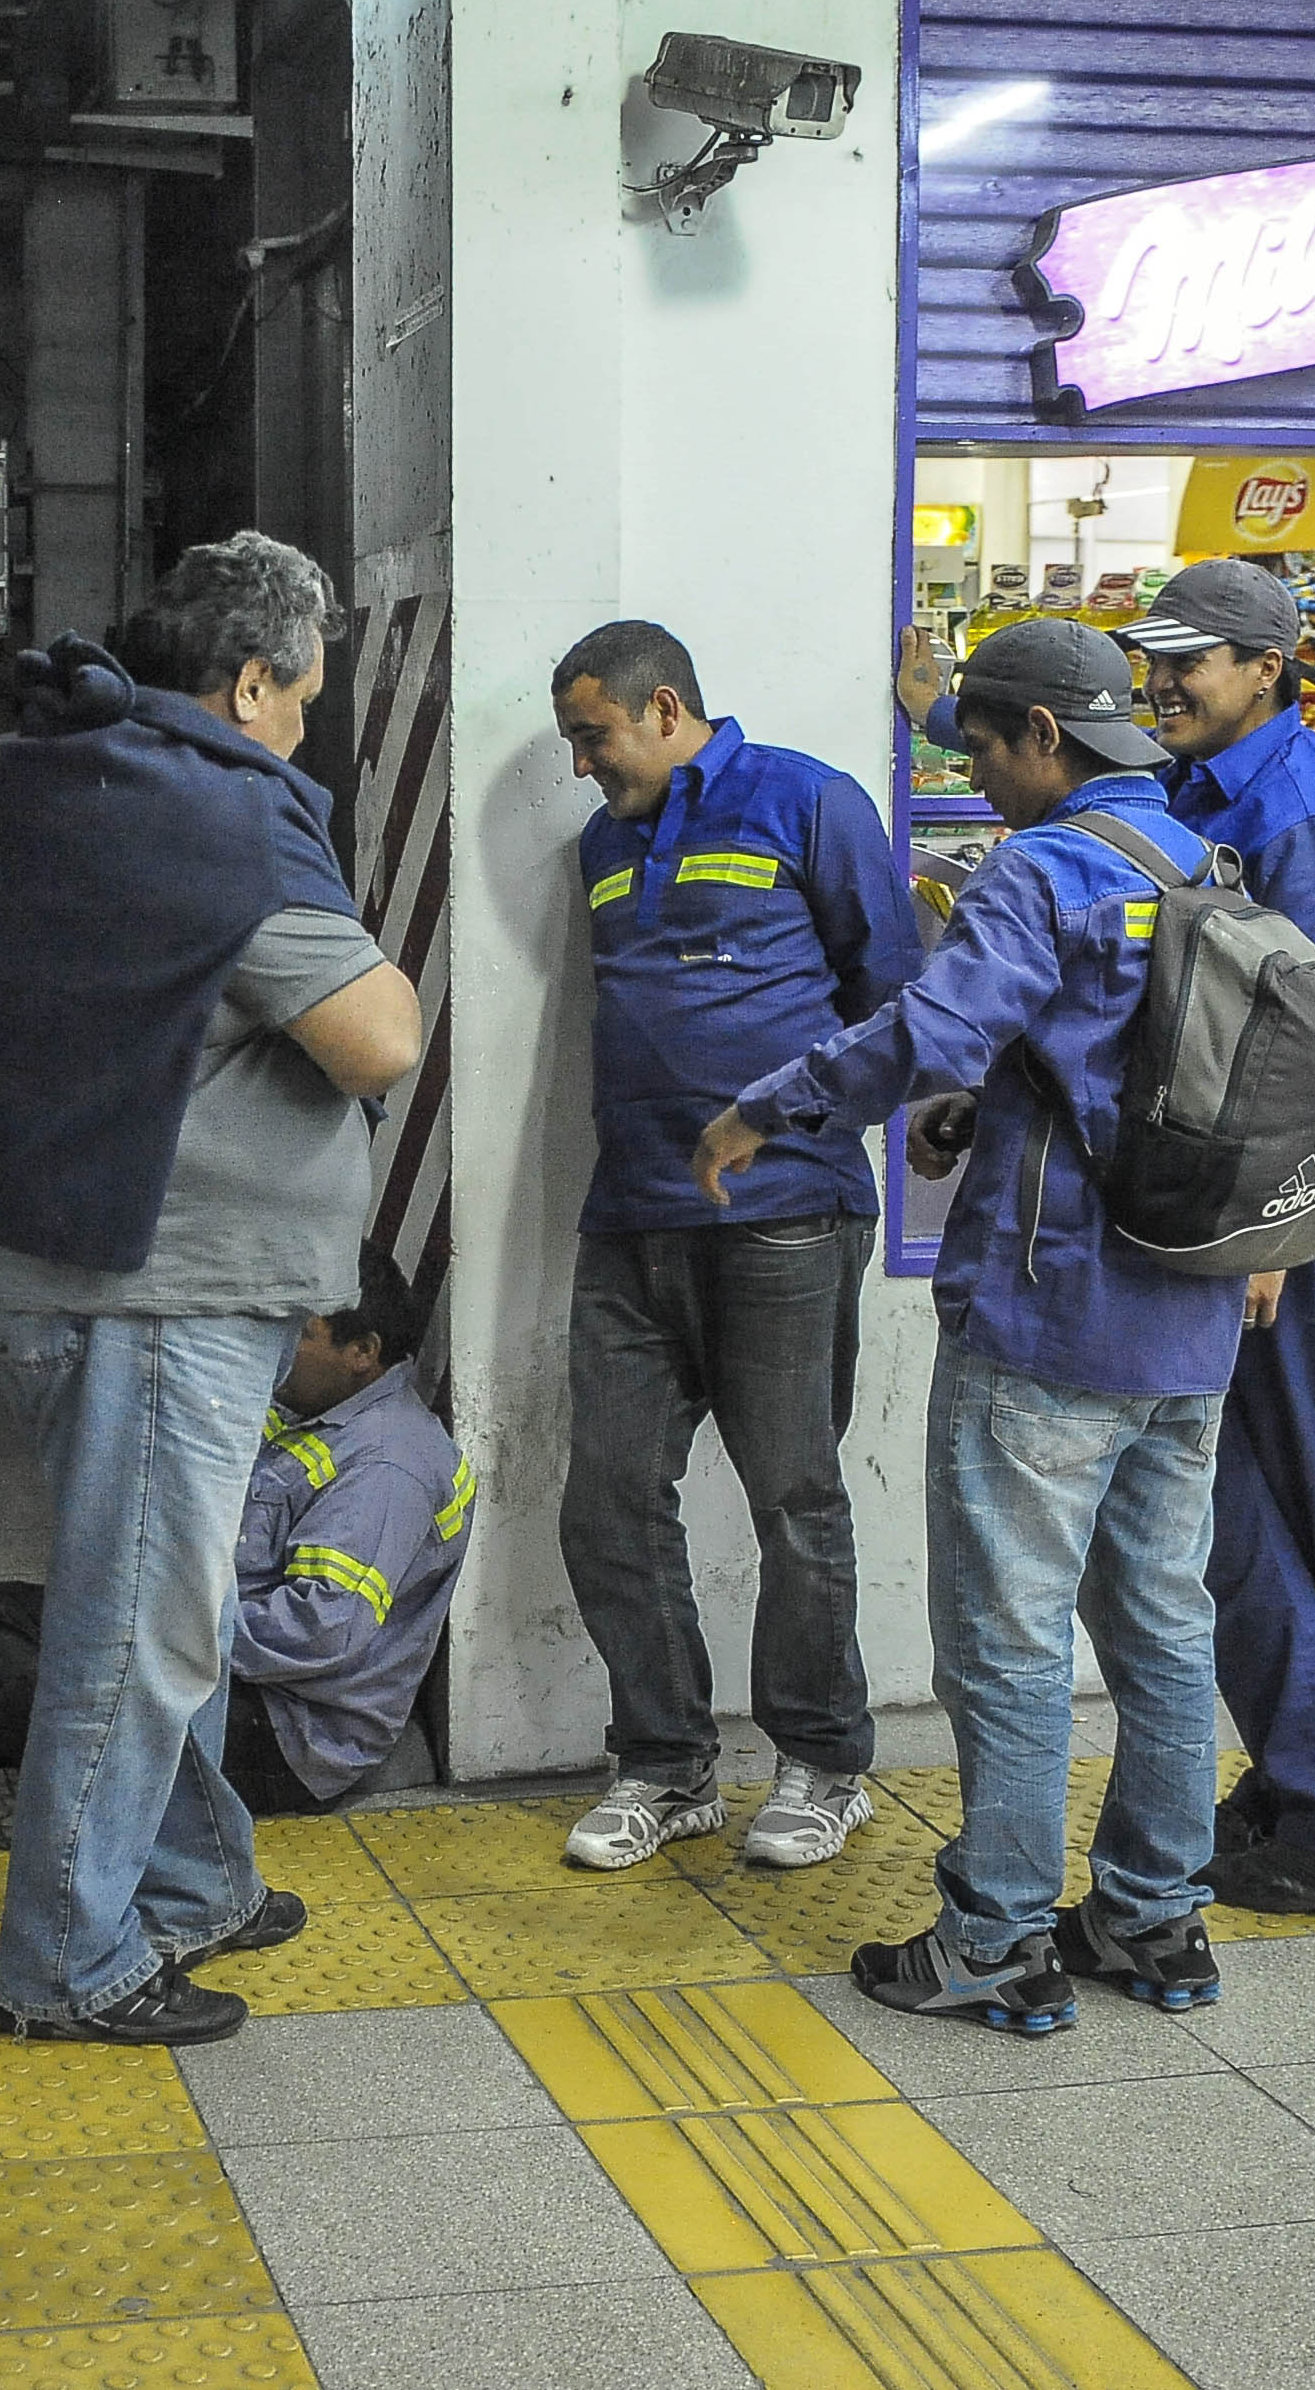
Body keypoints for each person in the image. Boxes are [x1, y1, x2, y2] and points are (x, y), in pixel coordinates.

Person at [701, 618, 1239, 2038]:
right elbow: (1114, 1067)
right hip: (1188, 1317)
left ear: (1043, 739)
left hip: (1052, 1315)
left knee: (1007, 1641)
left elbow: (932, 1029)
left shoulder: (1049, 868)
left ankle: (997, 1937)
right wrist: (992, 1107)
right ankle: (1152, 1917)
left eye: (985, 751)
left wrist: (773, 1102)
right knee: (1166, 1629)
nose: (980, 783)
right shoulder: (1196, 857)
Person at [0, 531, 424, 2048]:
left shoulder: (70, 768)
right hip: (152, 1293)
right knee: (133, 1632)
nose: (302, 733)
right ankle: (69, 1963)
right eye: (301, 703)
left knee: (172, 1611)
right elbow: (378, 1038)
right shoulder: (213, 816)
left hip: (77, 1258)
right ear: (251, 681)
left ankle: (190, 1881)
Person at [547, 622, 923, 1877]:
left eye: (593, 737)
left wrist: (803, 1132)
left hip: (786, 1217)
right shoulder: (603, 844)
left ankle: (824, 1764)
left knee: (794, 1500)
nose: (584, 766)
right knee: (606, 1493)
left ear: (664, 708)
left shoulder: (807, 800)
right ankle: (667, 1766)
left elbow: (893, 997)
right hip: (631, 1219)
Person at [1110, 560, 1315, 1921]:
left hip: (1302, 1228)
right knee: (1237, 1514)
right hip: (1234, 1219)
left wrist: (1275, 1242)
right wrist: (943, 714)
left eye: (1191, 662)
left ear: (1265, 670)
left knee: (1313, 1509)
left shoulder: (1312, 818)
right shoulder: (1201, 788)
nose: (1163, 681)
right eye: (1155, 659)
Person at [0, 1249, 471, 1842]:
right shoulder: (310, 1407)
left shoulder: (386, 1464)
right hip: (205, 1645)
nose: (275, 1346)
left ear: (364, 1351)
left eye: (300, 1334)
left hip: (288, 1726)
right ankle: (81, 1784)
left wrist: (162, 1632)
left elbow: (321, 1633)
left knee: (71, 1678)